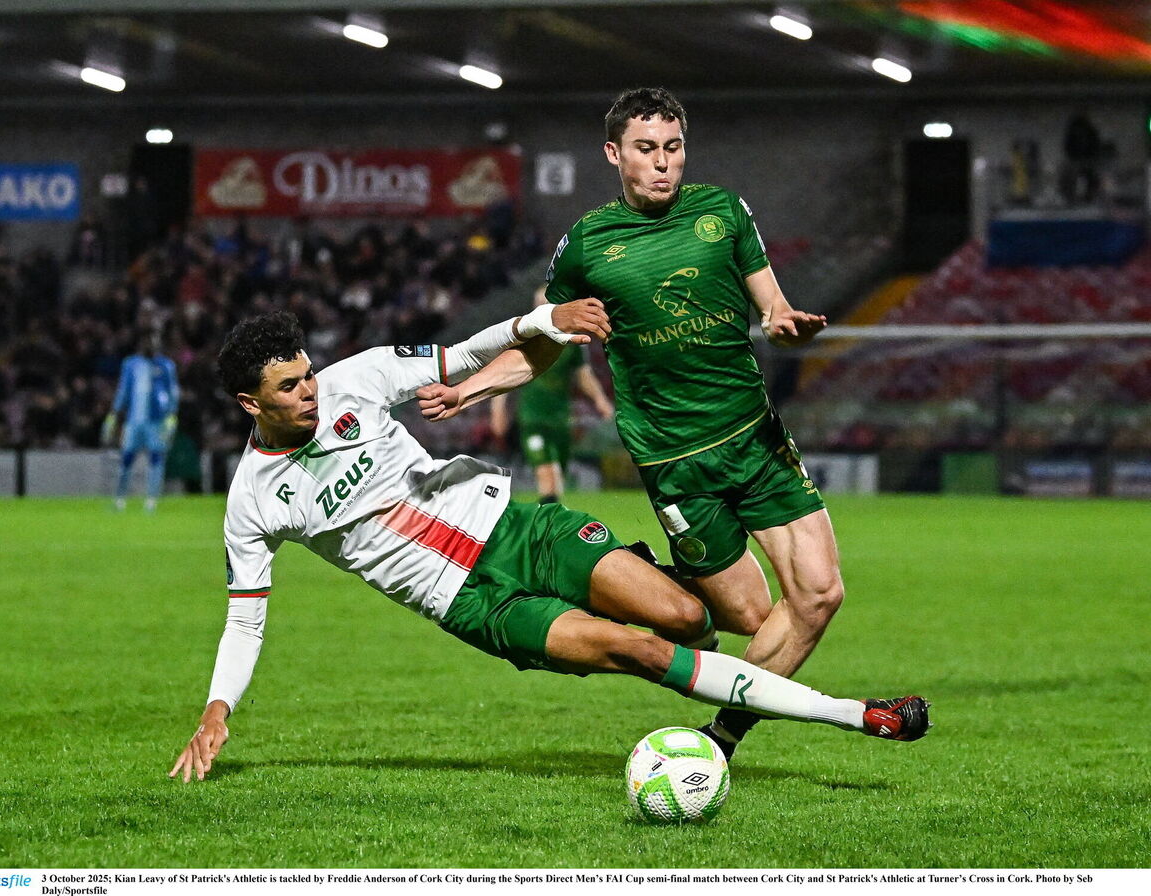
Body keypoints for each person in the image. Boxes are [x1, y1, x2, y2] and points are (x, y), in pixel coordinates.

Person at [169, 309, 928, 782]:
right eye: (291, 390)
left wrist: (541, 321)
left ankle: (660, 568)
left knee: (686, 618)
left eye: (307, 377)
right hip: (471, 602)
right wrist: (217, 709)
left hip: (519, 530)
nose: (311, 393)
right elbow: (245, 618)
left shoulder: (355, 380)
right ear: (250, 403)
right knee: (641, 652)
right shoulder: (253, 501)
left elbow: (465, 356)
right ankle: (859, 716)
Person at [428, 87, 851, 761]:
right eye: (647, 150)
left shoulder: (723, 213)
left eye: (674, 148)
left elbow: (773, 309)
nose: (664, 164)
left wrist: (788, 328)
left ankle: (718, 742)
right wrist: (472, 388)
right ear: (614, 154)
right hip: (674, 461)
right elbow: (543, 342)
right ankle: (639, 579)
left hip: (755, 439)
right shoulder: (589, 246)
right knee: (745, 619)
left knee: (820, 595)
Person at [490, 286, 614, 504]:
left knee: (558, 474)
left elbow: (583, 376)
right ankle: (549, 519)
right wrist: (498, 411)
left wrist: (600, 400)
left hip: (560, 418)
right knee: (546, 471)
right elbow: (502, 375)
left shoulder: (572, 342)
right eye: (540, 305)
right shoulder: (524, 338)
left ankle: (550, 514)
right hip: (532, 418)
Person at [102, 329, 179, 512]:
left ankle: (151, 500)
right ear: (140, 344)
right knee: (127, 458)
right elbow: (124, 390)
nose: (150, 345)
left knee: (156, 458)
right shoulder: (131, 364)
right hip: (134, 421)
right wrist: (114, 413)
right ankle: (120, 500)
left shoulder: (166, 365)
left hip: (157, 420)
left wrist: (171, 415)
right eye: (147, 341)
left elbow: (172, 392)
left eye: (153, 341)